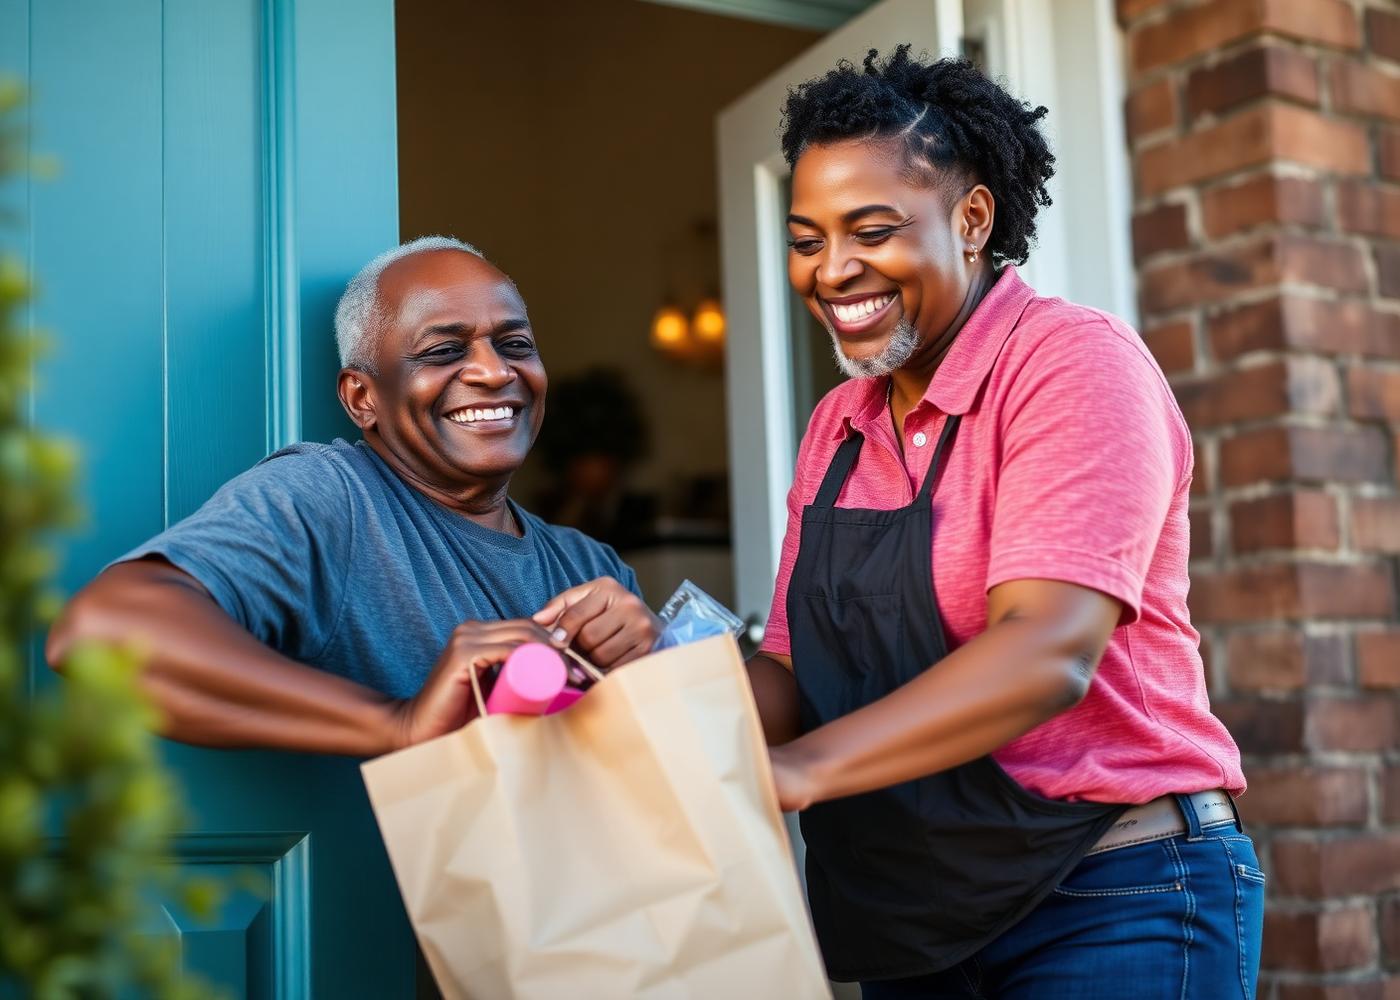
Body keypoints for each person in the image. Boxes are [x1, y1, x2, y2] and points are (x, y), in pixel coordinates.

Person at [743, 49, 1260, 998]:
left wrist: (799, 771)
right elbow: (785, 670)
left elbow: (1046, 650)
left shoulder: (1069, 366)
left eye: (871, 229)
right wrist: (645, 702)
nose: (834, 269)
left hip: (1114, 892)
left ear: (972, 220)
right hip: (921, 921)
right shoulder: (839, 426)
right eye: (806, 238)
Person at [46, 237, 659, 755]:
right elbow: (102, 632)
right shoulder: (331, 498)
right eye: (445, 351)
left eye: (515, 343)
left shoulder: (591, 567)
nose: (494, 371)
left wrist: (653, 661)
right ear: (362, 398)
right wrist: (398, 723)